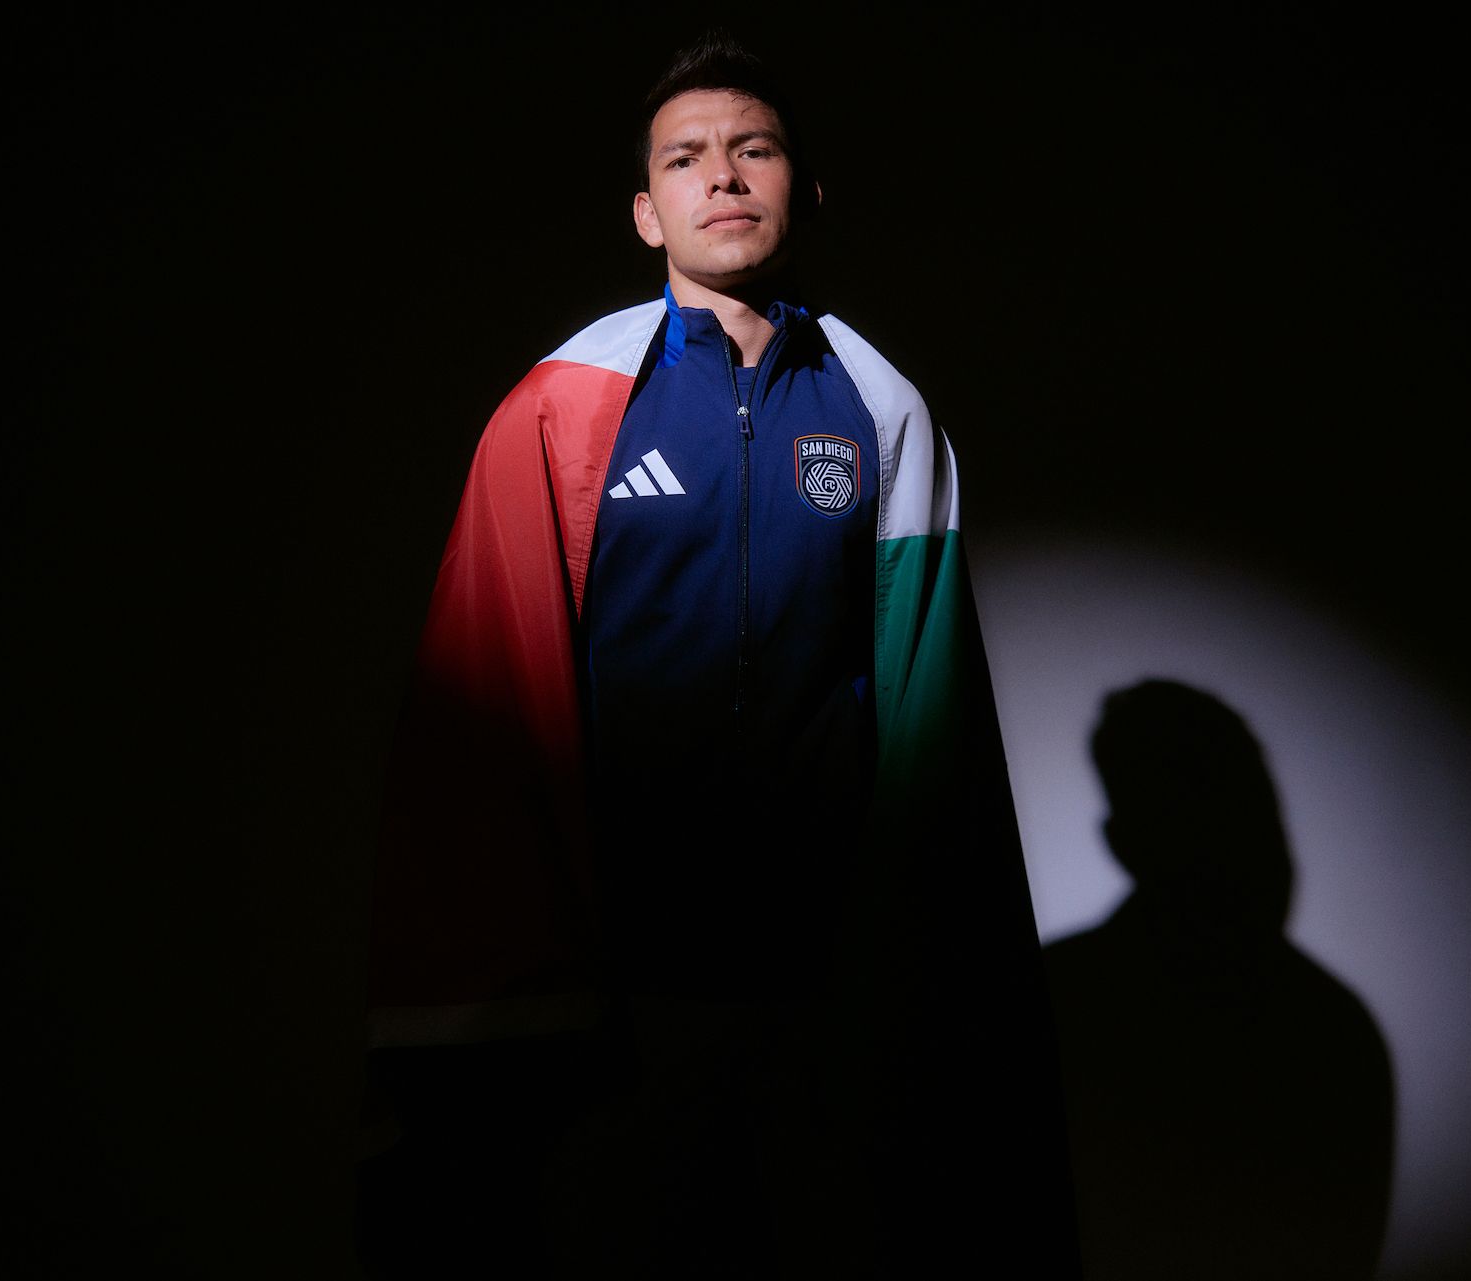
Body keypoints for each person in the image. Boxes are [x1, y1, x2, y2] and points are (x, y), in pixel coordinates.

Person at [353, 29, 1078, 1279]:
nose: (724, 175)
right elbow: (494, 698)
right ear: (648, 212)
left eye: (755, 149)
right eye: (685, 158)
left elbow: (928, 708)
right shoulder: (561, 404)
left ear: (805, 188)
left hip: (820, 983)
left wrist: (902, 965)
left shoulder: (883, 407)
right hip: (623, 988)